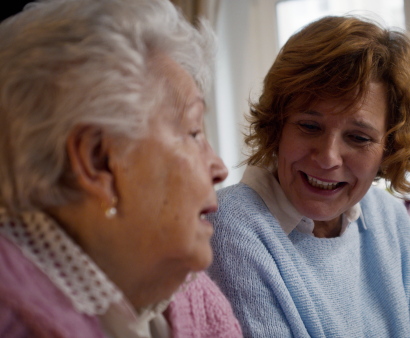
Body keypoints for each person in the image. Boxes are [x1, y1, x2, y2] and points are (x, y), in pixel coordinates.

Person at [0, 0, 242, 336]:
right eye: (193, 132)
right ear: (99, 161)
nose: (219, 169)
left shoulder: (185, 288)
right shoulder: (13, 318)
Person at [206, 15, 410, 337]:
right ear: (277, 126)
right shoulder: (230, 224)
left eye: (358, 137)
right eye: (309, 126)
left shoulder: (388, 217)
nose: (327, 158)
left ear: (389, 148)